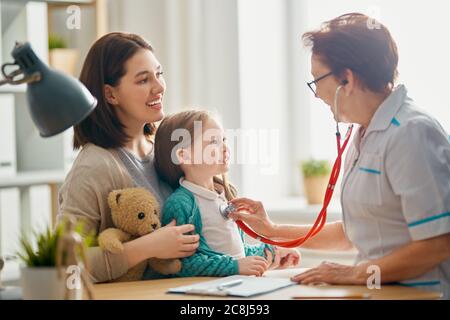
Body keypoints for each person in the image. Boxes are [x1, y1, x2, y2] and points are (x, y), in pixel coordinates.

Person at [228, 13, 450, 299]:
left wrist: (354, 273)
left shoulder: (411, 133)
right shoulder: (364, 133)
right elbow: (353, 233)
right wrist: (273, 229)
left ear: (347, 78)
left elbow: (439, 243)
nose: (316, 93)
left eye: (316, 80)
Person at [57, 32, 200, 283]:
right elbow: (64, 263)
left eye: (159, 74)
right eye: (144, 80)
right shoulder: (93, 167)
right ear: (111, 95)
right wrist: (146, 248)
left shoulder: (164, 150)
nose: (159, 87)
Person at [154, 110, 300, 277]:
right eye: (214, 142)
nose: (225, 148)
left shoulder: (224, 197)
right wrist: (235, 267)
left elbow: (234, 251)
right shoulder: (181, 204)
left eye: (223, 139)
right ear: (183, 155)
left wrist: (270, 253)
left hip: (232, 285)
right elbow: (185, 264)